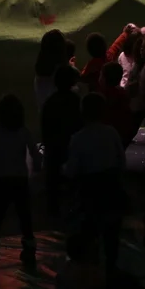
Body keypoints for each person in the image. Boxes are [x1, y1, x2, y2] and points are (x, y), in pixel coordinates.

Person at [66, 93, 127, 274]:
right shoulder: (111, 133)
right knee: (111, 234)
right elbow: (121, 162)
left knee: (89, 233)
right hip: (111, 189)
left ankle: (91, 269)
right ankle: (111, 269)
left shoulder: (78, 138)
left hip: (90, 193)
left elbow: (72, 171)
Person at [0, 93, 42, 271]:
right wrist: (37, 169)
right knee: (24, 216)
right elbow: (35, 154)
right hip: (20, 179)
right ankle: (29, 248)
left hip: (1, 180)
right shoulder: (23, 132)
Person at [41, 66, 83, 216]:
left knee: (53, 178)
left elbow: (45, 125)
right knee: (74, 178)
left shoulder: (50, 101)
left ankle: (52, 208)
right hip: (71, 144)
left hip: (55, 145)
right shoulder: (75, 100)